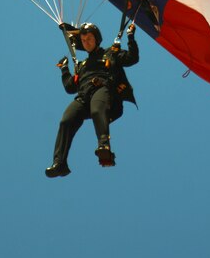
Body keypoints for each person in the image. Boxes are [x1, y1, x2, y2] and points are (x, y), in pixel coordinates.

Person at [45, 21, 139, 178]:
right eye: (83, 40)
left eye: (89, 38)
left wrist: (130, 37)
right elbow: (70, 87)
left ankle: (104, 146)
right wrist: (64, 70)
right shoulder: (82, 65)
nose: (86, 42)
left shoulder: (110, 53)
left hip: (103, 91)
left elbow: (132, 58)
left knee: (97, 110)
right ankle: (59, 163)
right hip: (83, 97)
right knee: (66, 121)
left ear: (97, 39)